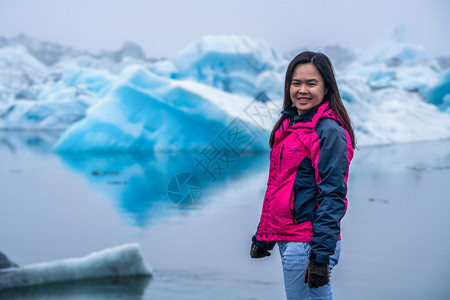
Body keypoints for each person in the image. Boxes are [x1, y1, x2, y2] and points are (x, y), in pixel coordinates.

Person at [250, 51, 356, 300]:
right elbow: (281, 186)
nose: (302, 90)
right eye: (296, 83)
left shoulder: (328, 132)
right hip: (291, 239)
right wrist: (264, 235)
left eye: (311, 83)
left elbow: (333, 195)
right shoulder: (290, 125)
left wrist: (319, 257)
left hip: (308, 243)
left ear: (327, 87)